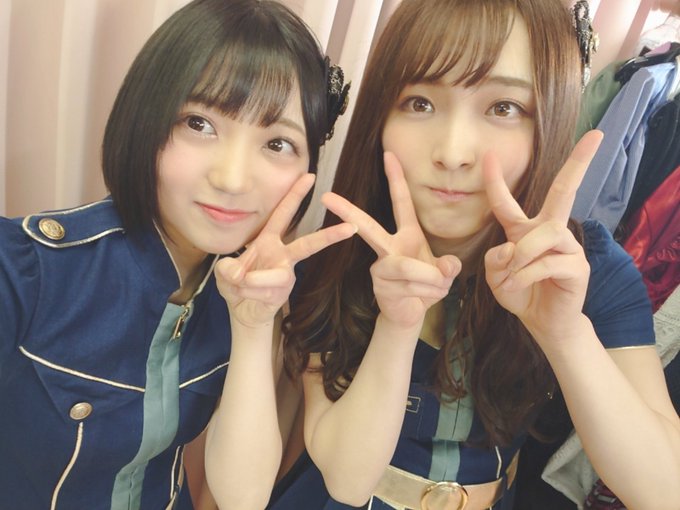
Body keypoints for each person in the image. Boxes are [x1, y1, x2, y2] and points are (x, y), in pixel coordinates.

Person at [280, 0, 680, 509]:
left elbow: (666, 490)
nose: (452, 152)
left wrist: (564, 333)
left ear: (550, 117)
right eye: (420, 103)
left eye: (503, 108)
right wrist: (396, 326)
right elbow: (344, 479)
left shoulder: (589, 268)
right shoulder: (339, 254)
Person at [0, 0, 354, 509]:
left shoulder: (251, 287)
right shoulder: (26, 269)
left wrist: (254, 324)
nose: (232, 178)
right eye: (199, 123)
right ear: (146, 117)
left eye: (277, 144)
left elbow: (242, 499)